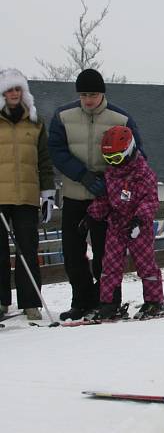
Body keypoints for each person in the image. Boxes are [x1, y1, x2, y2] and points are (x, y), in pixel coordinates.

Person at [48, 69, 144, 320]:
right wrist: (82, 175)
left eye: (92, 94)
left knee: (107, 254)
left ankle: (109, 301)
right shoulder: (63, 117)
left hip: (108, 199)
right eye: (83, 95)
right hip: (74, 195)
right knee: (72, 254)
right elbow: (56, 151)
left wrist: (112, 178)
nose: (88, 99)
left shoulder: (121, 118)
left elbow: (137, 155)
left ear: (102, 94)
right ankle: (82, 300)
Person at [85, 126, 164, 320]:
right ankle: (109, 303)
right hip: (116, 225)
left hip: (139, 227)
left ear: (129, 151)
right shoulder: (111, 173)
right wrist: (91, 215)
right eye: (109, 159)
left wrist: (139, 220)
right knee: (110, 266)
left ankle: (154, 302)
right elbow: (105, 199)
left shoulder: (143, 173)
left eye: (117, 158)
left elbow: (150, 201)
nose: (114, 163)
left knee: (146, 265)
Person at [0, 69, 55, 321]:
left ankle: (30, 302)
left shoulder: (35, 122)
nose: (13, 94)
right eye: (9, 90)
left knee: (28, 250)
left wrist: (48, 193)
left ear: (23, 92)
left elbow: (44, 160)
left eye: (17, 89)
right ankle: (1, 302)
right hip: (0, 196)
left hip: (27, 195)